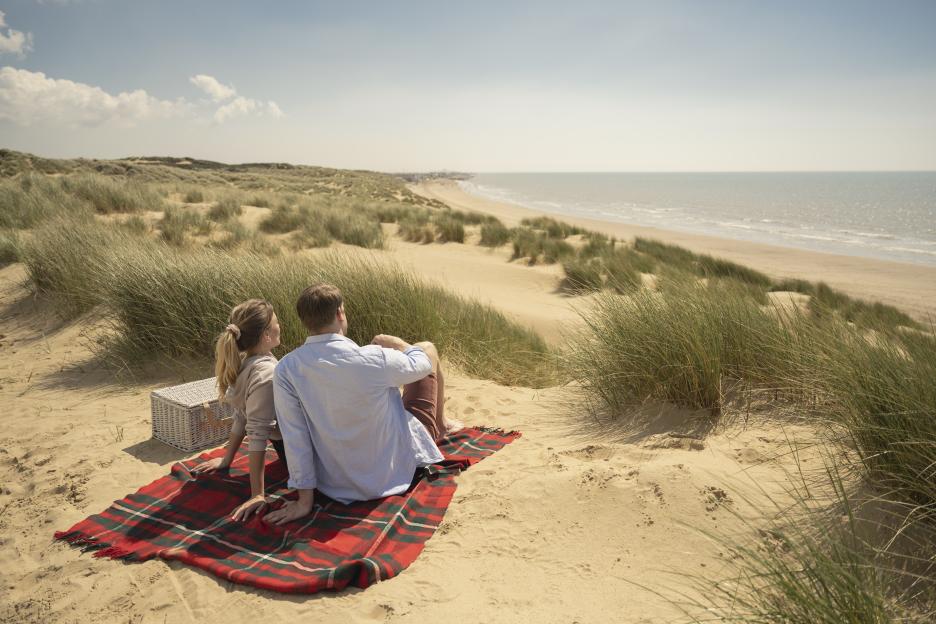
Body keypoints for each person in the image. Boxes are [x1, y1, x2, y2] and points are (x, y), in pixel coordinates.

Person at [265, 283, 460, 526]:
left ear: (305, 321)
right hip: (393, 474)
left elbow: (295, 435)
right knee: (427, 348)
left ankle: (442, 422)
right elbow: (422, 366)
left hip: (336, 484)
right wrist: (400, 345)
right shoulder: (372, 357)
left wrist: (305, 501)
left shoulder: (286, 369)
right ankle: (440, 424)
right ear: (339, 314)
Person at [191, 298, 287, 522]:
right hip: (293, 452)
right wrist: (258, 494)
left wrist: (227, 460)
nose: (280, 326)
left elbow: (241, 417)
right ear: (265, 335)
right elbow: (257, 434)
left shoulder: (245, 362)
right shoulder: (267, 374)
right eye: (276, 322)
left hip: (286, 448)